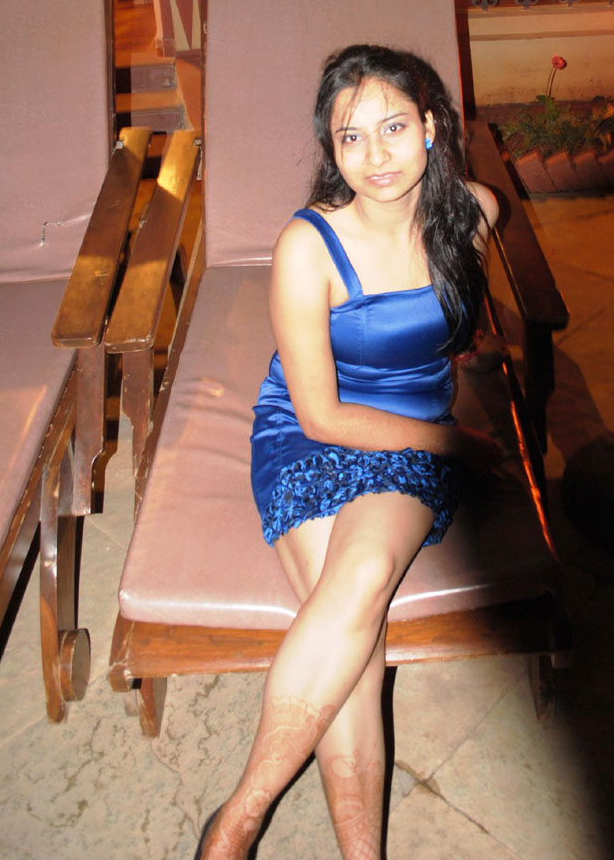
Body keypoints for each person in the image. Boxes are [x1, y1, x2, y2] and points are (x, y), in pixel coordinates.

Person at [196, 43, 500, 860]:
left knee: (356, 592)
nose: (376, 155)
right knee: (357, 628)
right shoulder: (308, 244)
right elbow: (321, 413)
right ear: (331, 150)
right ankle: (260, 822)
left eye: (393, 127)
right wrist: (458, 443)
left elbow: (474, 267)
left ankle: (234, 824)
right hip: (309, 430)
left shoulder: (470, 213)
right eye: (351, 137)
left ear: (430, 127)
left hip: (406, 439)